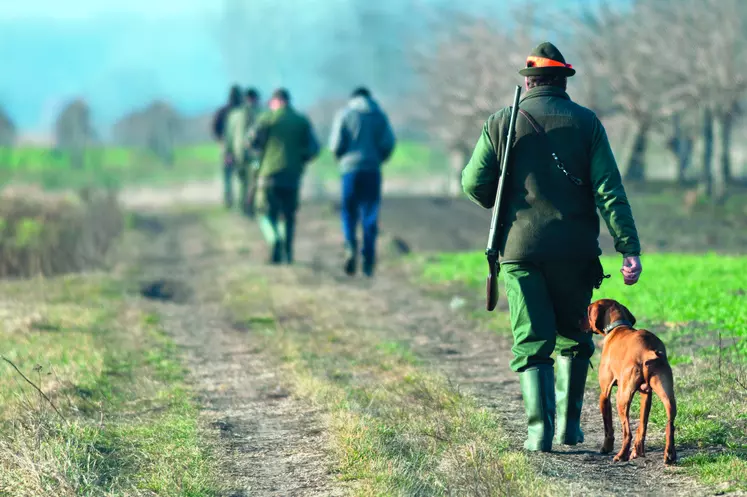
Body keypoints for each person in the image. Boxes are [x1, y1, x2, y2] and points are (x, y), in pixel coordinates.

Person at [461, 42, 642, 453]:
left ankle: (539, 433)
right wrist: (628, 246)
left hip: (519, 251)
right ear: (563, 81)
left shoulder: (501, 122)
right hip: (576, 252)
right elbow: (609, 190)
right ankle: (569, 429)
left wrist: (499, 198)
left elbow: (473, 184)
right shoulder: (587, 122)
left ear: (528, 82)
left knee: (531, 339)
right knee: (575, 338)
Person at [328, 87, 395, 277]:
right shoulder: (379, 116)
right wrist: (378, 158)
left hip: (349, 170)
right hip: (372, 170)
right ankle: (368, 257)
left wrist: (343, 158)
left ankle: (350, 245)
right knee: (369, 214)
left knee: (348, 212)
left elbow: (335, 145)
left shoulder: (344, 114)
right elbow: (388, 143)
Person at [249, 88, 319, 264]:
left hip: (268, 175)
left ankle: (274, 239)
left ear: (275, 102)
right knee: (288, 215)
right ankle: (287, 252)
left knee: (265, 212)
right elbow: (314, 148)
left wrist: (258, 155)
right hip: (292, 176)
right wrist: (301, 158)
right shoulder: (301, 121)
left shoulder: (266, 119)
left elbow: (250, 142)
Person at [223, 87, 261, 216]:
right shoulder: (259, 114)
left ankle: (244, 206)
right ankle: (247, 207)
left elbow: (228, 136)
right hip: (253, 154)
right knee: (250, 181)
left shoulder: (234, 115)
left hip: (239, 153)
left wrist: (228, 152)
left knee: (243, 182)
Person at [216, 85, 243, 209]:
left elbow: (215, 128)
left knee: (228, 176)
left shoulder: (222, 112)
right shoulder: (243, 112)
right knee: (241, 176)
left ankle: (229, 200)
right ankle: (238, 201)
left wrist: (221, 141)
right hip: (240, 149)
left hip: (226, 148)